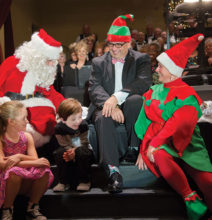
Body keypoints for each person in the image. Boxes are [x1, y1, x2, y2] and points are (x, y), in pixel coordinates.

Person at [135, 34, 212, 220]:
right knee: (160, 153)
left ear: (172, 71)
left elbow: (177, 124)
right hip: (160, 143)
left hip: (187, 142)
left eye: (161, 66)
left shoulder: (188, 95)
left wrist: (154, 143)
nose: (157, 69)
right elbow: (145, 121)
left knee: (208, 183)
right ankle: (191, 200)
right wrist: (143, 148)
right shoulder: (153, 91)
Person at [87, 14, 152, 193]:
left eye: (119, 45)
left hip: (127, 103)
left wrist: (117, 97)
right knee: (104, 117)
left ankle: (133, 148)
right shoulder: (99, 62)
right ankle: (113, 171)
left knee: (136, 100)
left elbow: (143, 83)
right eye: (111, 45)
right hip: (105, 106)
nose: (114, 49)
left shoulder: (141, 59)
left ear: (128, 43)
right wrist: (111, 104)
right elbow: (94, 88)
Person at [0, 29, 65, 147]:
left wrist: (68, 107)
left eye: (53, 60)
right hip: (18, 119)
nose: (52, 64)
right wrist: (9, 110)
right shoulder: (10, 64)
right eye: (49, 60)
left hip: (46, 126)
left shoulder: (42, 71)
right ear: (37, 56)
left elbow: (51, 93)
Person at [0, 101, 53, 220]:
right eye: (24, 118)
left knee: (44, 170)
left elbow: (35, 159)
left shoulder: (27, 136)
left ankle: (32, 208)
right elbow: (3, 165)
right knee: (13, 172)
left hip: (22, 179)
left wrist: (19, 157)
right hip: (2, 180)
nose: (27, 121)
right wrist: (33, 161)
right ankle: (7, 209)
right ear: (11, 121)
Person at [52, 98, 94, 192]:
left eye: (79, 117)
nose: (77, 121)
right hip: (67, 150)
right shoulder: (59, 128)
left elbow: (84, 142)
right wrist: (70, 153)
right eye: (73, 119)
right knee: (59, 153)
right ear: (63, 120)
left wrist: (74, 152)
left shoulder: (83, 125)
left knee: (82, 152)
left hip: (82, 149)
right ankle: (63, 182)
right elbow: (63, 143)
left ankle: (84, 181)